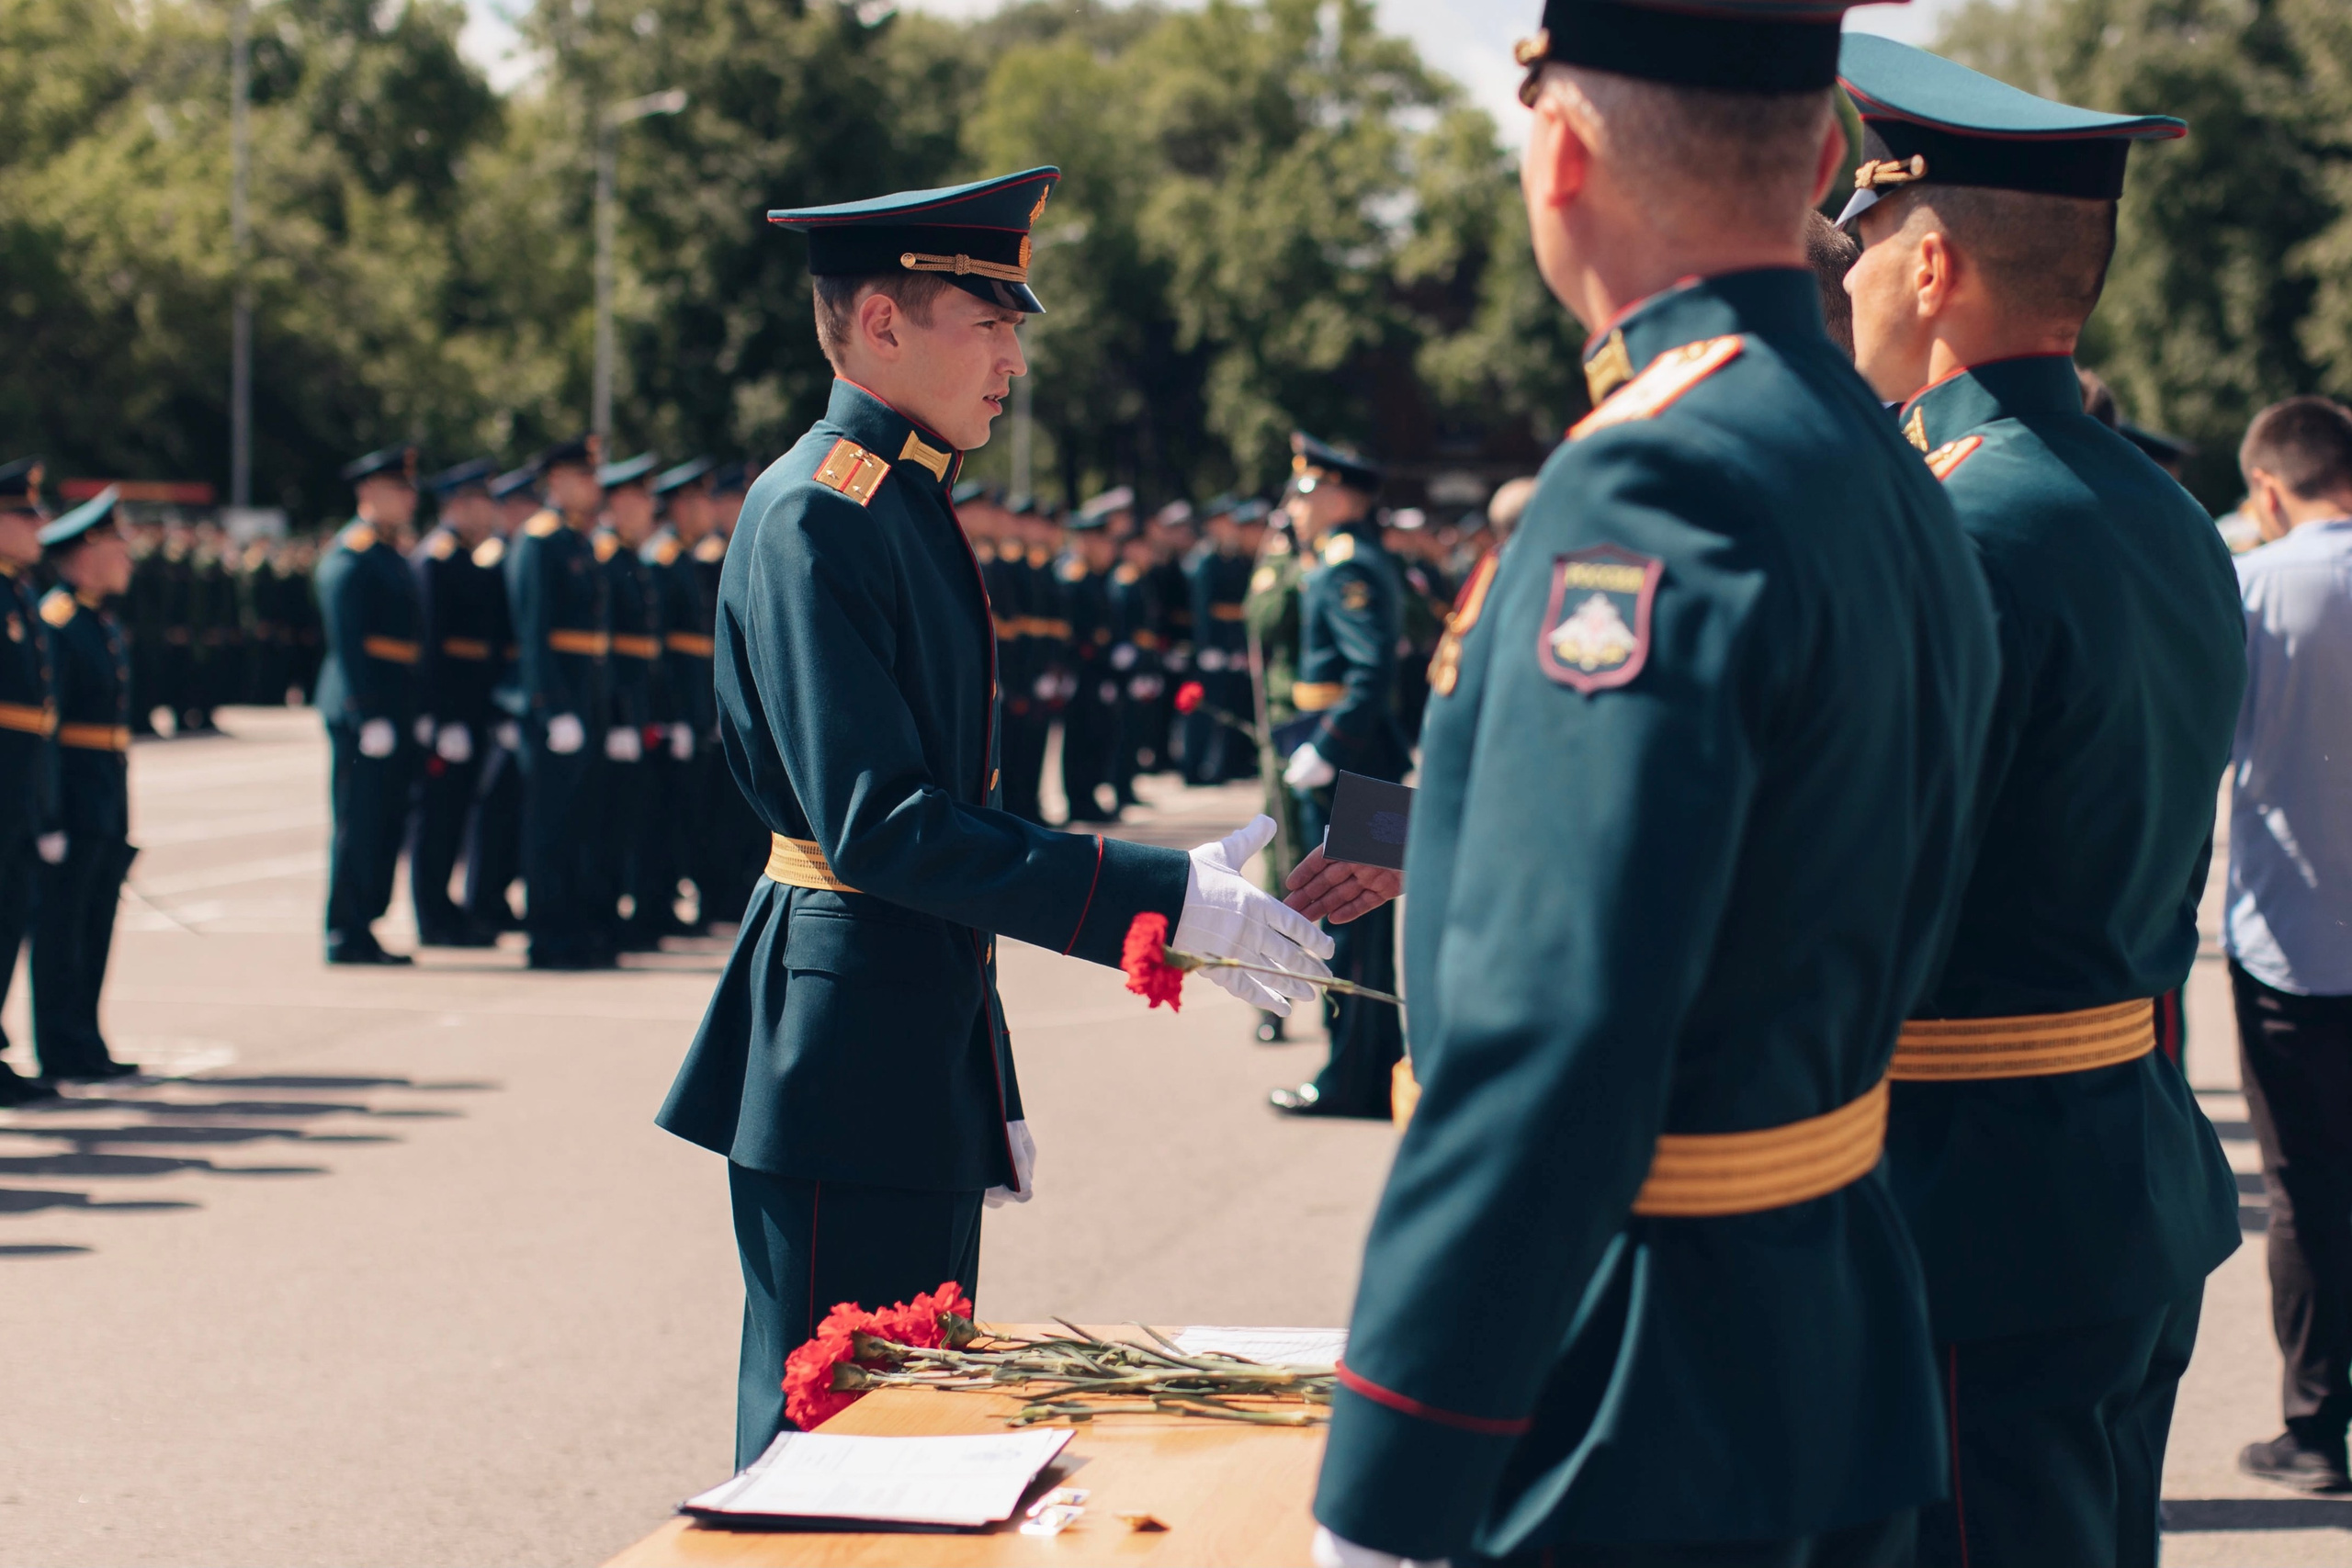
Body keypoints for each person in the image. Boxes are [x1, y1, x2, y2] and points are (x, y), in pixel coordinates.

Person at [1287, 4, 2002, 1559]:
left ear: (1559, 152)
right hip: (1819, 1318)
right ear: (1822, 157)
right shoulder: (1864, 443)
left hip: (1636, 1375)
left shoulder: (1654, 471)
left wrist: (1396, 1465)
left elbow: (1555, 1028)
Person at [653, 166, 1332, 1470]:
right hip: (842, 1053)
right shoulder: (821, 511)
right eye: (989, 322)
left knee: (907, 1432)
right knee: (828, 1445)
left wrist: (989, 1067)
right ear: (882, 324)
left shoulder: (900, 498)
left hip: (902, 1030)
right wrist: (1158, 898)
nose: (1014, 359)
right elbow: (885, 827)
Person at [1837, 36, 2245, 1566]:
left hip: (1963, 1200)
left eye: (1864, 238)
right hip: (2118, 1165)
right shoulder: (2164, 509)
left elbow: (1852, 887)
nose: (1848, 274)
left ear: (1932, 263)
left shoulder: (1949, 523)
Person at [2226, 395, 2352, 1495]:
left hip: (2290, 949)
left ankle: (2314, 1430)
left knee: (2304, 1193)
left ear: (2266, 487)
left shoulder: (2255, 586)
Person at [1268, 434, 1409, 1122]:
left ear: (1342, 497)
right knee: (1360, 926)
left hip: (1351, 764)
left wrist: (1327, 745)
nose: (1296, 507)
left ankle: (1350, 1078)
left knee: (1347, 923)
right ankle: (1369, 1068)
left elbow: (1370, 669)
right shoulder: (1343, 557)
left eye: (1307, 492)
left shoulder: (1345, 564)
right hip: (1357, 759)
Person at [33, 487, 137, 1080]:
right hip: (72, 794)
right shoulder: (60, 622)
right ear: (86, 554)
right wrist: (50, 812)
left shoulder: (99, 621)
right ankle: (61, 1043)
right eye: (117, 546)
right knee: (63, 926)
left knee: (95, 922)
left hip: (104, 790)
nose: (128, 557)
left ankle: (85, 1037)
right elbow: (48, 729)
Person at [502, 435, 613, 970]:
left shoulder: (576, 540)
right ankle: (547, 934)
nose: (593, 486)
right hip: (557, 704)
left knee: (580, 821)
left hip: (584, 698)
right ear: (556, 481)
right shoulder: (539, 540)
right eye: (582, 476)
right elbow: (533, 632)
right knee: (549, 826)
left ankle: (573, 927)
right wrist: (551, 707)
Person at [314, 446, 424, 966]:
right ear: (368, 493)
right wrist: (367, 712)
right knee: (359, 822)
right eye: (396, 489)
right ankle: (345, 929)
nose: (408, 499)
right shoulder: (353, 553)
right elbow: (348, 639)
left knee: (386, 823)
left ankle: (367, 923)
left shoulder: (389, 553)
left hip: (395, 704)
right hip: (364, 709)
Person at [409, 457, 506, 948]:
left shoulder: (468, 556)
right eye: (482, 501)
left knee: (456, 813)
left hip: (472, 705)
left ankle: (447, 908)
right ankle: (432, 915)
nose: (490, 511)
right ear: (459, 505)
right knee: (437, 815)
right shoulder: (437, 558)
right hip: (449, 707)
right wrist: (438, 716)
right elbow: (429, 645)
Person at [0, 457, 59, 1106]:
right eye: (24, 515)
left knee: (10, 913)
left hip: (15, 786)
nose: (38, 525)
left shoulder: (15, 590)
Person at [463, 466, 540, 934]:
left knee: (512, 811)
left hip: (517, 696)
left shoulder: (519, 553)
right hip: (498, 700)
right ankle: (483, 898)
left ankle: (494, 898)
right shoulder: (492, 559)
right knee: (493, 810)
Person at [597, 452, 669, 952]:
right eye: (639, 499)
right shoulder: (607, 559)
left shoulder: (629, 558)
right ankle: (602, 916)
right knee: (607, 822)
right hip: (613, 711)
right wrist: (621, 716)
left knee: (629, 820)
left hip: (636, 707)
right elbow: (607, 651)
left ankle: (615, 916)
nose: (648, 509)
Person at [650, 457, 720, 932]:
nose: (702, 510)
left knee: (689, 811)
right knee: (663, 813)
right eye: (692, 501)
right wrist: (669, 713)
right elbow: (658, 650)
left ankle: (669, 901)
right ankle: (654, 906)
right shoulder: (663, 559)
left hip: (696, 704)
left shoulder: (691, 558)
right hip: (671, 707)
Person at [1055, 500, 1121, 822]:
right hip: (1081, 668)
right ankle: (1079, 799)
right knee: (1080, 736)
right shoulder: (1075, 577)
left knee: (1096, 734)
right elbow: (1071, 630)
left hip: (1096, 668)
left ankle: (1089, 794)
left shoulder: (1095, 577)